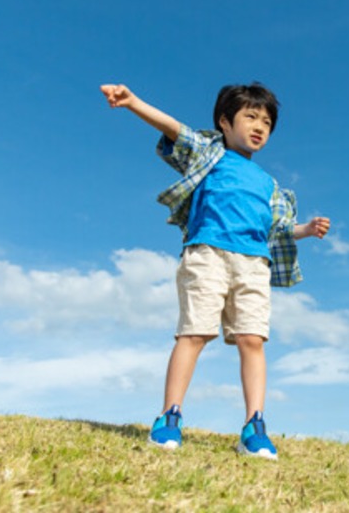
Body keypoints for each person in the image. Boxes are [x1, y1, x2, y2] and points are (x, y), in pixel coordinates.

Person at [99, 81, 330, 460]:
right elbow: (173, 128)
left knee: (252, 340)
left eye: (267, 123)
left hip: (254, 265)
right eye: (250, 117)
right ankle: (169, 418)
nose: (259, 126)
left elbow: (279, 226)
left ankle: (254, 426)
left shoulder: (270, 184)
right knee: (194, 333)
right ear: (225, 122)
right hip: (208, 255)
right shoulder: (211, 154)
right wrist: (133, 102)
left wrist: (306, 229)